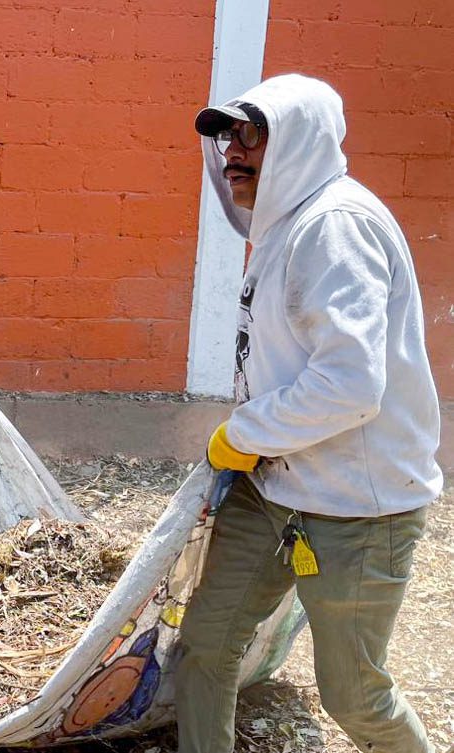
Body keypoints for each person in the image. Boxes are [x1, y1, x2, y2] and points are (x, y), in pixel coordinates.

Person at [176, 73, 442, 753]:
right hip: (273, 487)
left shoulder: (334, 228)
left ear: (301, 140)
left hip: (358, 505)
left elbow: (350, 384)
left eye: (252, 133)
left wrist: (242, 432)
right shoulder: (287, 223)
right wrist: (253, 447)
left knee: (353, 692)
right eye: (229, 135)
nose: (234, 150)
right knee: (204, 647)